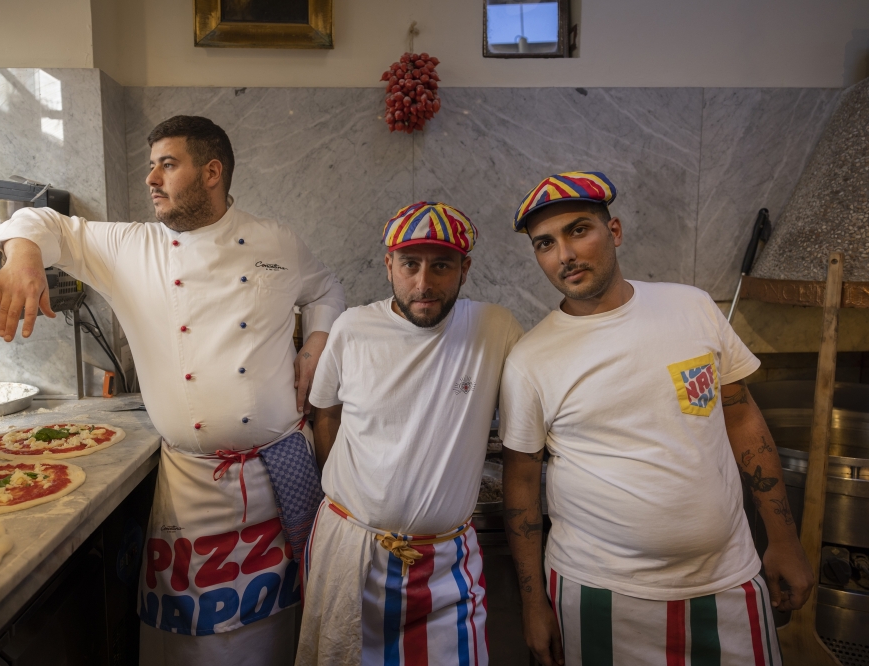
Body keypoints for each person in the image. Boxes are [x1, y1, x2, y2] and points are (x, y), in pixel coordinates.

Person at [0, 115, 345, 666]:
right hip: (193, 489)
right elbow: (39, 220)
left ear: (212, 172)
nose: (151, 178)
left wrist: (314, 346)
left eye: (167, 164)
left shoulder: (277, 240)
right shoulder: (130, 245)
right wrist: (24, 254)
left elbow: (326, 288)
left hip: (278, 479)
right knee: (186, 641)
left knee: (281, 626)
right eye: (151, 164)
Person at [498, 171, 814, 666]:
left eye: (579, 230)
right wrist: (533, 603)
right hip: (601, 594)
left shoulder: (692, 308)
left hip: (730, 582)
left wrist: (785, 541)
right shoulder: (530, 360)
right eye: (545, 244)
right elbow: (520, 481)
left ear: (615, 231)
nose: (565, 255)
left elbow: (741, 417)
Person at [297, 202, 523, 666]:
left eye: (441, 265)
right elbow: (326, 416)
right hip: (351, 555)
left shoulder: (494, 329)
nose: (423, 283)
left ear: (465, 268)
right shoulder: (352, 328)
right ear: (389, 265)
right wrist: (357, 497)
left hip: (446, 565)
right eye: (410, 264)